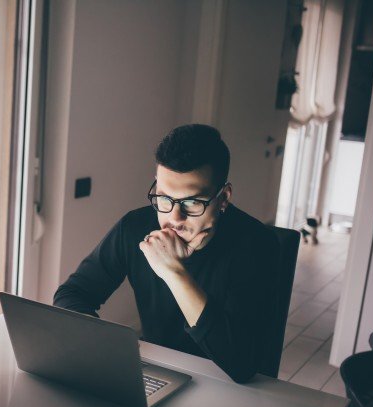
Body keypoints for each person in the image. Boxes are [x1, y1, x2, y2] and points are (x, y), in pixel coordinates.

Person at [54, 124, 279, 383]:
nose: (173, 217)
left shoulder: (257, 245)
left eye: (192, 202)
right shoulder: (134, 227)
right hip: (156, 374)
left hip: (227, 386)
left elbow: (241, 364)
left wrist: (174, 273)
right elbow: (72, 294)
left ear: (223, 198)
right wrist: (105, 347)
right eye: (164, 198)